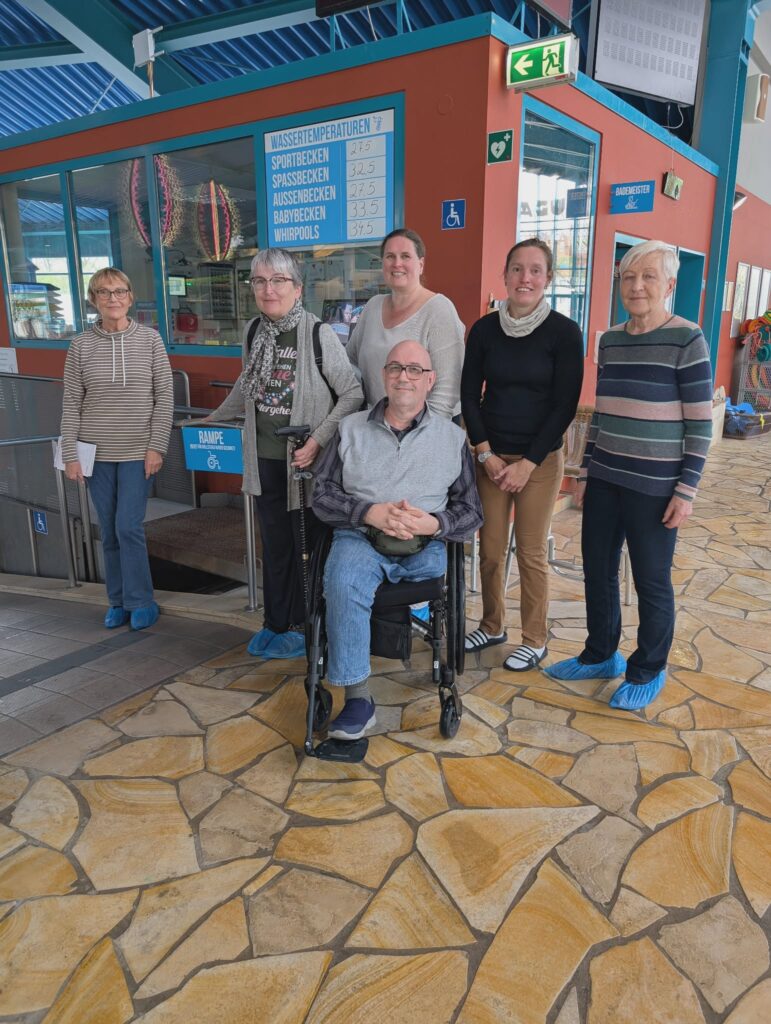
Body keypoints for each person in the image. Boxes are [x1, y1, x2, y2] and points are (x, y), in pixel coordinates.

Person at [546, 240, 713, 709]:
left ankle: (648, 668)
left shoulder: (687, 339)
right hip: (605, 478)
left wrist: (686, 489)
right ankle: (600, 654)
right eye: (628, 277)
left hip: (656, 487)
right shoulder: (611, 340)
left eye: (648, 277)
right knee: (597, 570)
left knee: (650, 581)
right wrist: (586, 470)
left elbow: (700, 424)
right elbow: (602, 413)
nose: (637, 286)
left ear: (669, 285)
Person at [311, 340, 483, 740]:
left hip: (425, 547)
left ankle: (406, 625)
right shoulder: (350, 428)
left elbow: (472, 511)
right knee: (343, 580)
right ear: (384, 376)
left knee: (429, 579)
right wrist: (369, 512)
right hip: (361, 538)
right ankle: (358, 699)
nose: (404, 377)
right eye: (395, 368)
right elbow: (320, 493)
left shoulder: (451, 438)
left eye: (414, 370)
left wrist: (433, 523)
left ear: (430, 381)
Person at [206, 248, 362, 660]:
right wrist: (213, 417)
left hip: (305, 465)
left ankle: (302, 626)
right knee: (275, 546)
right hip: (264, 461)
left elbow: (352, 394)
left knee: (305, 548)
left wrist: (318, 441)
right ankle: (275, 621)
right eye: (259, 281)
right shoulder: (253, 331)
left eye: (278, 280)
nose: (268, 289)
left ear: (297, 288)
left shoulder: (317, 334)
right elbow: (246, 386)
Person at [461, 238, 584, 670]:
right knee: (491, 549)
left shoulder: (564, 333)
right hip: (491, 458)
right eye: (517, 269)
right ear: (505, 275)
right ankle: (492, 624)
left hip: (541, 461)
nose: (525, 278)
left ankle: (534, 638)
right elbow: (468, 396)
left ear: (548, 278)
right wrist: (486, 455)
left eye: (535, 270)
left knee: (531, 552)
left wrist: (527, 464)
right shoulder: (484, 330)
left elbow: (564, 406)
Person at [61, 267, 173, 630]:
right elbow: (71, 402)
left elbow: (164, 397)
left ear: (130, 296)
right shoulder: (80, 345)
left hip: (138, 452)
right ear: (93, 299)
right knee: (108, 530)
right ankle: (118, 601)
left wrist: (157, 446)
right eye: (105, 292)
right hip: (95, 454)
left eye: (120, 291)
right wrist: (70, 454)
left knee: (128, 526)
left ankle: (141, 600)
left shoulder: (151, 340)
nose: (113, 298)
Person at [346, 228, 465, 418]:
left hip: (427, 426)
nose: (397, 263)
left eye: (405, 256)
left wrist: (420, 431)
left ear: (421, 264)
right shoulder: (372, 307)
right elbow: (349, 361)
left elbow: (447, 391)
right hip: (377, 424)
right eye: (390, 256)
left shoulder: (439, 310)